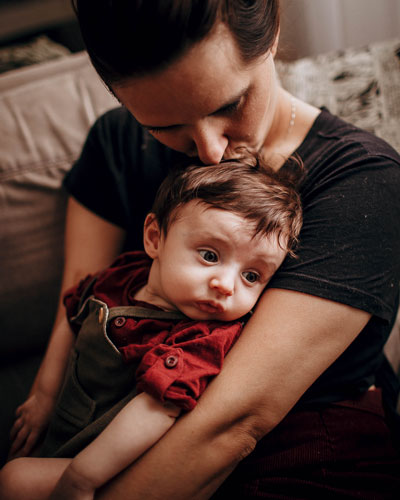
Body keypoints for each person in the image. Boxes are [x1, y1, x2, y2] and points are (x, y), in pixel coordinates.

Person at [6, 0, 400, 498]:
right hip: (123, 428)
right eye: (164, 127)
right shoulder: (117, 143)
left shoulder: (363, 181)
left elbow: (235, 422)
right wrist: (44, 401)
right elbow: (81, 297)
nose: (211, 152)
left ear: (273, 34)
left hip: (301, 446)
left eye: (228, 105)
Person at [0, 159, 302, 500]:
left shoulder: (202, 338)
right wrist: (43, 396)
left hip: (114, 462)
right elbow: (73, 315)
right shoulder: (122, 275)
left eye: (252, 276)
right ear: (154, 238)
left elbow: (158, 409)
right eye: (209, 255)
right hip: (65, 425)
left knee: (13, 480)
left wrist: (82, 475)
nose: (226, 285)